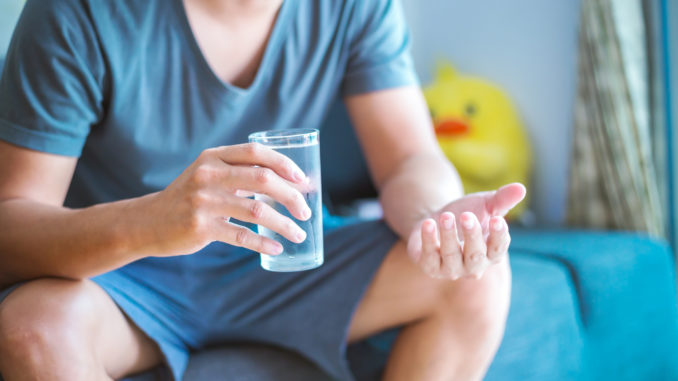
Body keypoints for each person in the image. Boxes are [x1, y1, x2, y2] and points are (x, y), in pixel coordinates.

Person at [0, 0, 526, 380]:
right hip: (124, 278)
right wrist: (153, 220)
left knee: (478, 279)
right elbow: (11, 226)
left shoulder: (358, 7)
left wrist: (438, 219)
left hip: (284, 261)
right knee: (31, 331)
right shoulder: (76, 13)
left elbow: (410, 159)